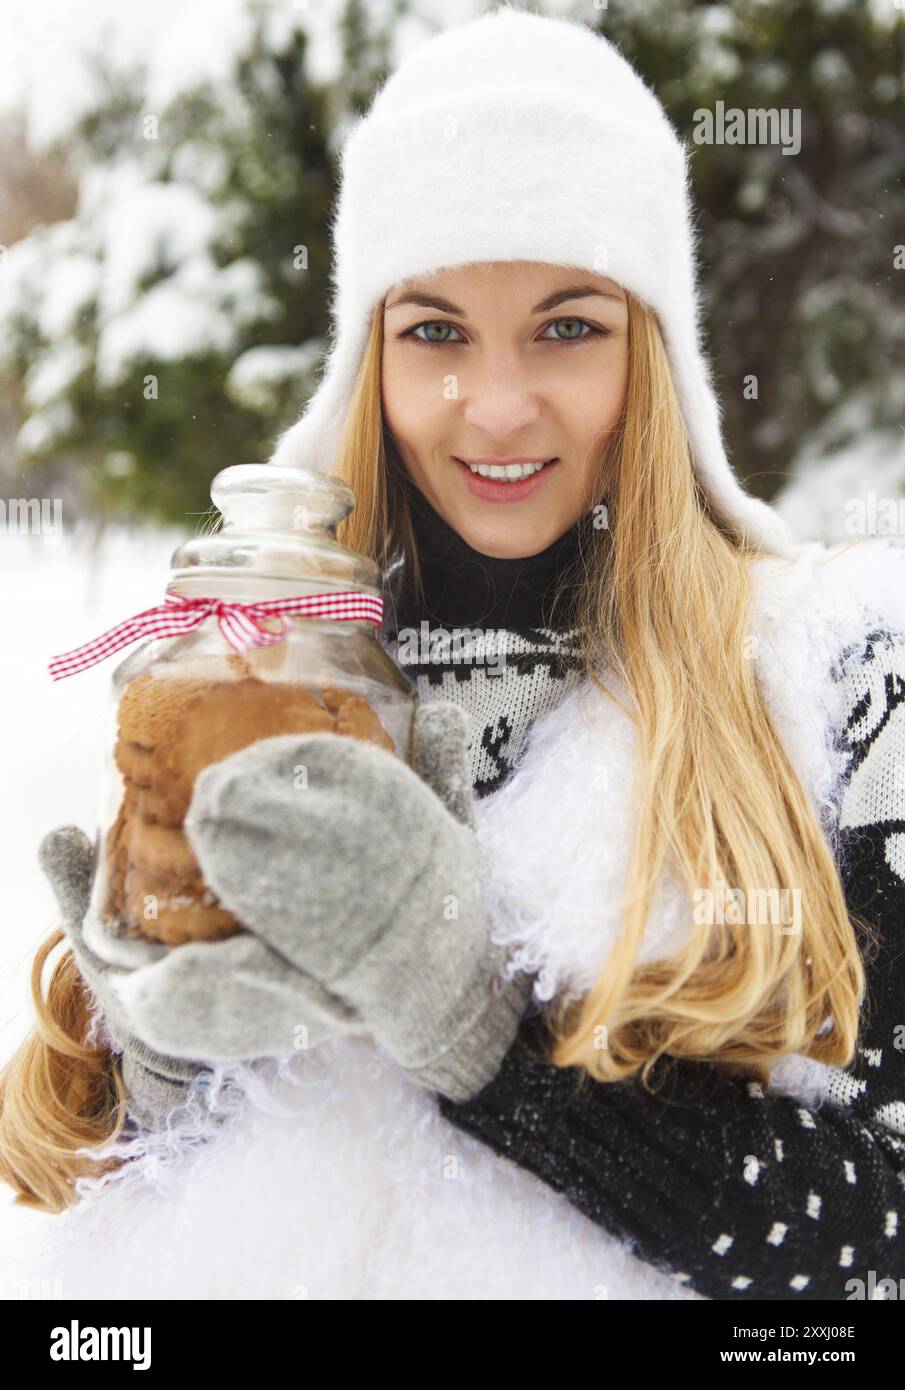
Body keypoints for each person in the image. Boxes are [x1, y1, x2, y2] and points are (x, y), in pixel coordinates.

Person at [2, 6, 904, 1301]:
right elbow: (86, 1201)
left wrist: (478, 1033)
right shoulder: (266, 669)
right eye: (433, 329)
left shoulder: (829, 676)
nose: (493, 402)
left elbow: (877, 1236)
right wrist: (159, 1057)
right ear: (365, 355)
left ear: (653, 351)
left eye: (567, 324)